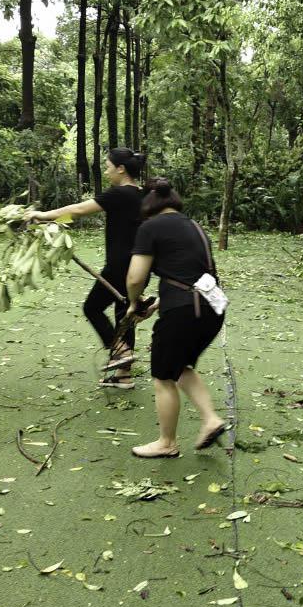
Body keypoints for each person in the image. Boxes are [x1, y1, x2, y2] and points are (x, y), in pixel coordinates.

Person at [124, 179, 229, 458]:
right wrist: (159, 304)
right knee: (179, 367)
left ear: (148, 204)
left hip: (185, 312)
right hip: (210, 310)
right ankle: (211, 420)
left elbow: (135, 277)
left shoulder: (149, 227)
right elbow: (193, 275)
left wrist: (134, 302)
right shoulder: (194, 226)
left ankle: (167, 443)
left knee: (162, 376)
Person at [26, 148, 146, 387]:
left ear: (121, 169)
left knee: (92, 308)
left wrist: (43, 216)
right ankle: (124, 376)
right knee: (125, 314)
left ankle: (119, 351)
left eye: (109, 166)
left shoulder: (119, 194)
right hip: (141, 265)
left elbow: (78, 211)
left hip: (119, 265)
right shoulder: (143, 194)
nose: (107, 170)